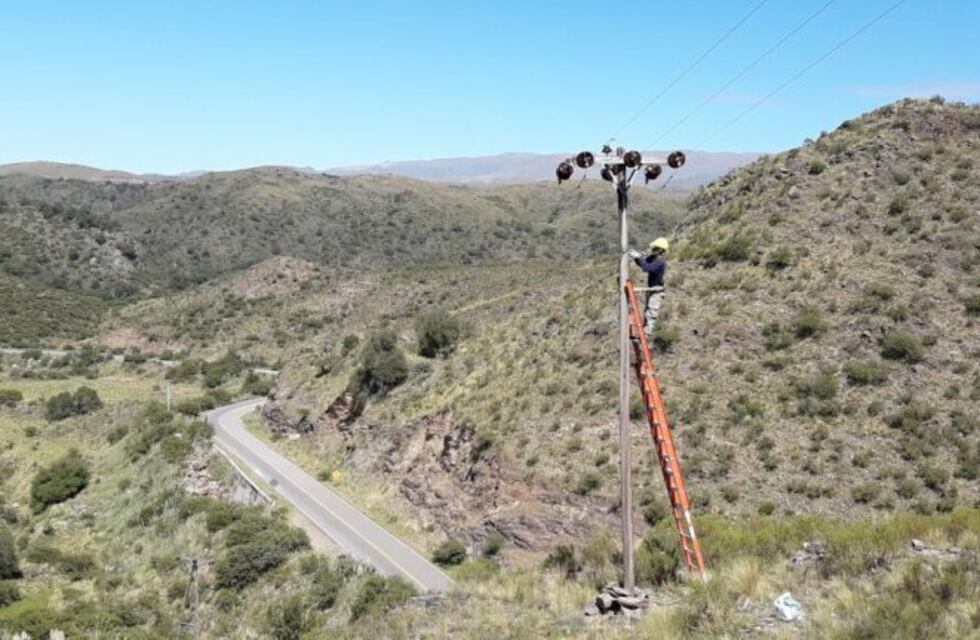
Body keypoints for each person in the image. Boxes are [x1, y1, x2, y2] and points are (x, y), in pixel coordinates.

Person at [629, 237, 669, 336]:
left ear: (660, 250)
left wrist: (638, 257)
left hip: (657, 290)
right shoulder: (653, 258)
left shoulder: (660, 262)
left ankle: (648, 333)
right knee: (647, 311)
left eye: (655, 248)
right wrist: (636, 257)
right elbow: (643, 264)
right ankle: (645, 331)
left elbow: (647, 268)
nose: (653, 250)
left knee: (652, 311)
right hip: (652, 289)